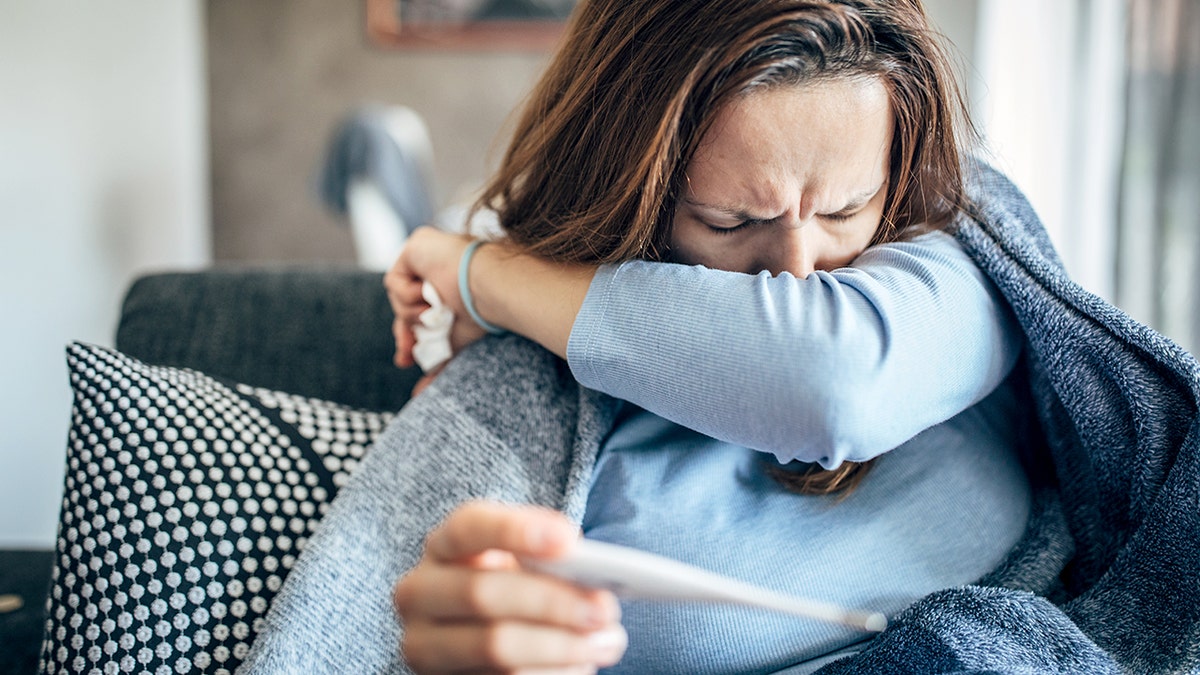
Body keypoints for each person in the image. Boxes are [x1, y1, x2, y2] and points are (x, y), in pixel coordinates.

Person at [384, 0, 1032, 673]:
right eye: (729, 222)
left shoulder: (959, 259)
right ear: (630, 186)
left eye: (844, 210)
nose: (796, 272)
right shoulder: (529, 385)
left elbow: (833, 381)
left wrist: (482, 274)